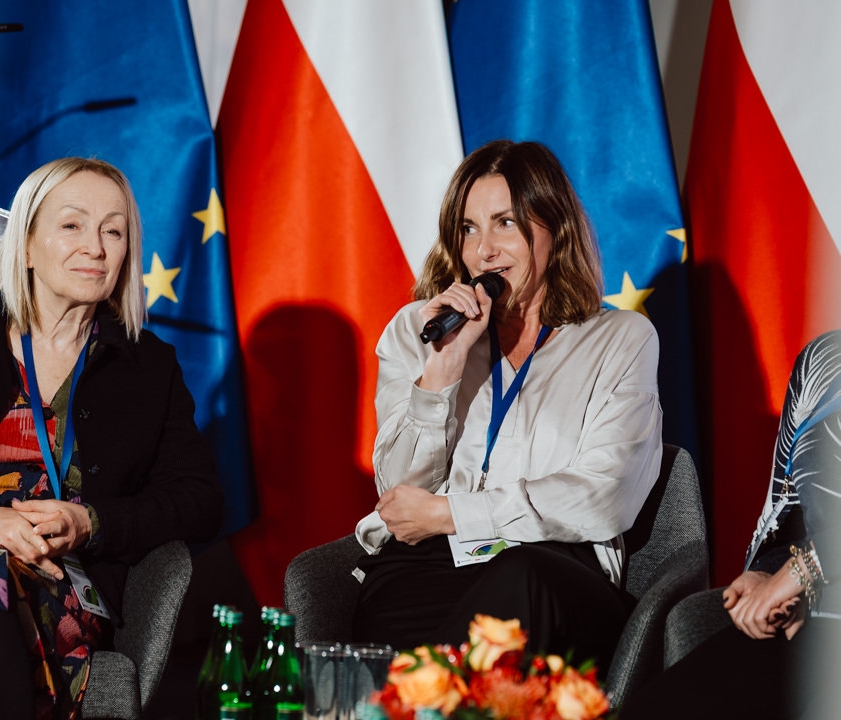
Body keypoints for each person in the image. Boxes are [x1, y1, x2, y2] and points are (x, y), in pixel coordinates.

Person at [0, 157, 224, 719]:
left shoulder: (149, 368)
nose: (97, 248)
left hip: (53, 581)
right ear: (26, 245)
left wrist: (93, 524)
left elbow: (200, 501)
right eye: (73, 225)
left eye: (114, 230)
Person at [351, 140, 663, 675]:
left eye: (505, 224)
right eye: (468, 229)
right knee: (396, 616)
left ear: (553, 231)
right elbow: (399, 490)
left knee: (519, 578)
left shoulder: (620, 338)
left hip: (555, 569)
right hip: (425, 566)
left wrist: (453, 514)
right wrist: (443, 369)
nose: (483, 251)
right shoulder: (417, 330)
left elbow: (605, 498)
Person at [619, 331, 841, 720]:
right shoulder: (824, 361)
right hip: (812, 617)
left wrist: (803, 570)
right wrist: (768, 578)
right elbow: (789, 511)